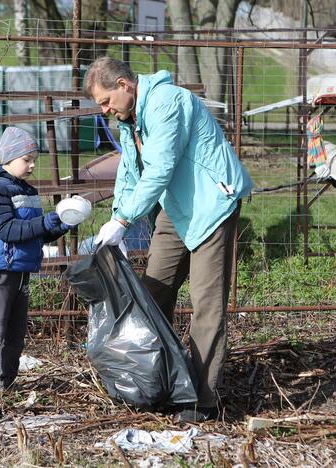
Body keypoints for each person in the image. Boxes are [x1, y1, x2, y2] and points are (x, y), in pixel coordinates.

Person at [84, 56, 254, 423]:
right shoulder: (130, 120)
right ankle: (157, 380)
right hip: (176, 209)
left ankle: (201, 400)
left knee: (206, 304)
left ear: (124, 86)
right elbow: (129, 172)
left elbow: (160, 166)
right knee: (153, 293)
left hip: (212, 205)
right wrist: (116, 219)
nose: (104, 109)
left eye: (106, 101)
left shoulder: (167, 102)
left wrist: (125, 219)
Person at [0, 126, 75, 406]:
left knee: (15, 333)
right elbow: (7, 230)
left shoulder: (27, 190)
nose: (32, 164)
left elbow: (34, 232)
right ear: (9, 159)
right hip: (1, 272)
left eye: (33, 158)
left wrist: (61, 224)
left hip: (21, 270)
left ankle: (6, 384)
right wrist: (43, 223)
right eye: (27, 158)